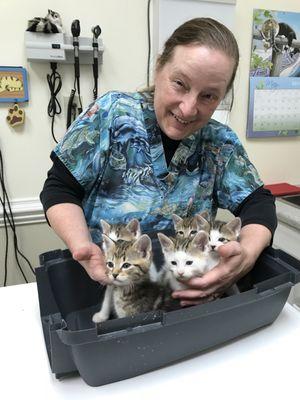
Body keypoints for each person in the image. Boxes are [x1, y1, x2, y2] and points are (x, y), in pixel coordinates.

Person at [40, 18, 277, 306]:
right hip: (105, 287)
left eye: (208, 96)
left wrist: (246, 257)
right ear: (158, 67)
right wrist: (82, 246)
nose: (188, 109)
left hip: (182, 297)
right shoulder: (112, 115)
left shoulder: (219, 142)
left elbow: (259, 203)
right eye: (180, 84)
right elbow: (60, 189)